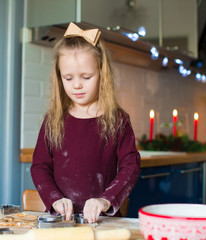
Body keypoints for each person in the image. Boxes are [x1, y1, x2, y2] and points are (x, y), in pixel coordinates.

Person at [31, 22, 140, 223]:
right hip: (63, 222)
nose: (77, 85)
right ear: (59, 78)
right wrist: (55, 200)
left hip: (104, 223)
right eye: (68, 78)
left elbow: (130, 166)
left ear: (102, 74)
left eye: (86, 77)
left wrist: (106, 200)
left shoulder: (117, 120)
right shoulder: (53, 120)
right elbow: (39, 166)